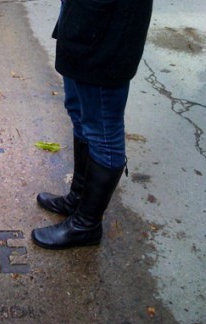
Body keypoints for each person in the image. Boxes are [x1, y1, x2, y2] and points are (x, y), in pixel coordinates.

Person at [31, 0, 153, 249]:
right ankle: (77, 200)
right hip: (81, 23)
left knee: (103, 131)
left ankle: (86, 225)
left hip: (108, 34)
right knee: (79, 114)